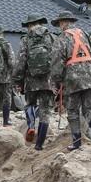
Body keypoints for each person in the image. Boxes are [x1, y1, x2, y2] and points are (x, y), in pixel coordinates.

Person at [51, 11, 91, 151]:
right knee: (88, 109)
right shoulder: (85, 34)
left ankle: (76, 142)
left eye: (59, 24)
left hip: (73, 79)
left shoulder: (61, 38)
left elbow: (57, 63)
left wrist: (56, 82)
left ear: (63, 23)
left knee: (73, 111)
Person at [13, 13, 55, 151]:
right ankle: (39, 145)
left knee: (30, 104)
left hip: (31, 81)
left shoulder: (26, 39)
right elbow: (58, 58)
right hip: (48, 82)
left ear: (30, 25)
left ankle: (31, 126)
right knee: (45, 113)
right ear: (41, 23)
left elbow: (21, 61)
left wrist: (17, 80)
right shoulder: (51, 37)